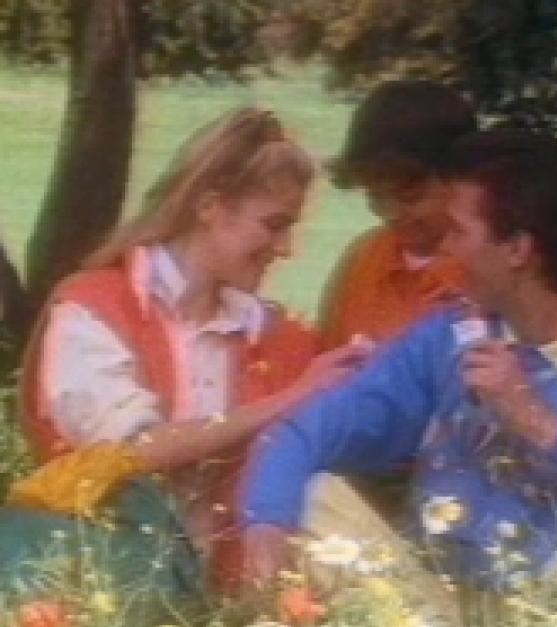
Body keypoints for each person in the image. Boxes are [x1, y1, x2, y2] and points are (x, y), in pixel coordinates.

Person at [240, 130, 557, 609]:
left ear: (517, 250)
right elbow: (308, 429)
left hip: (555, 610)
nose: (445, 249)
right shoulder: (448, 337)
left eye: (458, 231)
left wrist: (539, 422)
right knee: (312, 494)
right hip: (433, 610)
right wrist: (266, 526)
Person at [18, 108, 370, 591]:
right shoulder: (94, 307)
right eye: (274, 225)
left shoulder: (279, 336)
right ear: (210, 207)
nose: (286, 248)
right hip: (105, 585)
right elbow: (131, 452)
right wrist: (287, 399)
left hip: (228, 600)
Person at [319, 80, 477, 349]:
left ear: (463, 178)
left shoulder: (491, 269)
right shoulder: (361, 258)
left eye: (410, 197)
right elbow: (326, 357)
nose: (392, 214)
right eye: (376, 197)